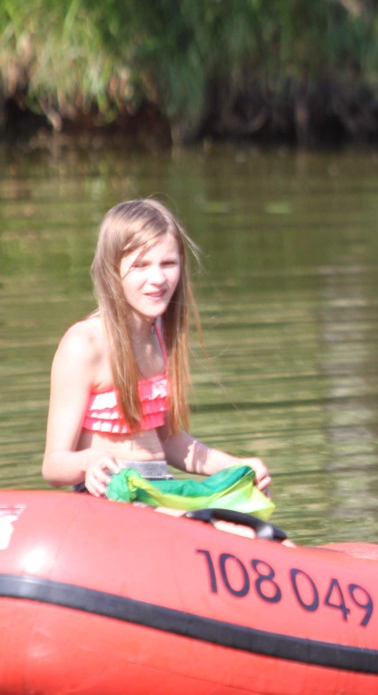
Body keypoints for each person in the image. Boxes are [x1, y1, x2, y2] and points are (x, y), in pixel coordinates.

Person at [42, 198, 271, 498]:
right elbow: (53, 466)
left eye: (168, 264)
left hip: (160, 487)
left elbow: (171, 442)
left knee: (247, 516)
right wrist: (89, 461)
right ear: (112, 270)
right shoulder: (85, 344)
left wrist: (236, 466)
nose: (158, 279)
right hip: (110, 495)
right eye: (141, 265)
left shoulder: (160, 335)